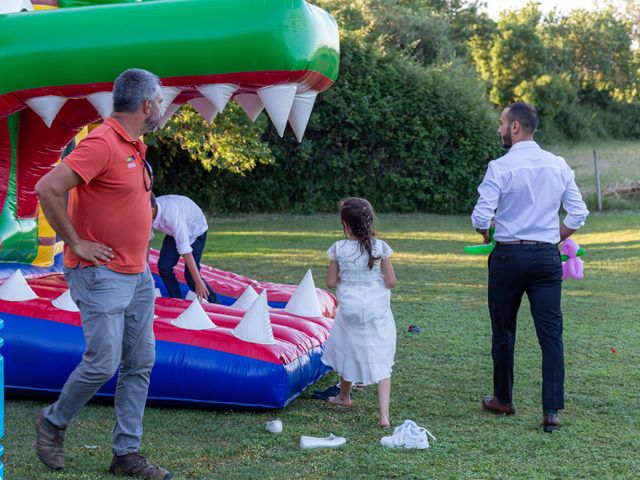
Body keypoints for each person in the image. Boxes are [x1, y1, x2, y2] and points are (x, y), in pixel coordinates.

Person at [34, 68, 171, 479]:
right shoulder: (103, 143)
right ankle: (53, 422)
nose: (163, 107)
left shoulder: (135, 146)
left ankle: (126, 454)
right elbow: (47, 188)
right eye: (161, 100)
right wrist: (75, 242)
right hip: (100, 274)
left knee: (140, 361)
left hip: (138, 274)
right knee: (103, 362)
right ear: (147, 105)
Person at [471, 102, 589, 433]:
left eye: (501, 123)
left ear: (516, 128)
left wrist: (485, 232)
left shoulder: (500, 167)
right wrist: (555, 237)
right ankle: (551, 411)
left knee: (504, 330)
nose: (499, 129)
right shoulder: (559, 164)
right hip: (546, 259)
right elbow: (578, 213)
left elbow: (481, 216)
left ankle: (503, 400)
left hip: (508, 257)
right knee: (551, 334)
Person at [321, 197, 397, 428]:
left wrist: (348, 277)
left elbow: (331, 282)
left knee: (348, 349)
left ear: (345, 225)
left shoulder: (338, 248)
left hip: (351, 309)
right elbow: (392, 282)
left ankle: (344, 397)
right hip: (376, 310)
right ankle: (384, 415)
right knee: (382, 357)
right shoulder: (380, 247)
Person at [151, 194, 217, 303]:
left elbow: (185, 250)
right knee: (164, 267)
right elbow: (146, 240)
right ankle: (177, 301)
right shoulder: (146, 212)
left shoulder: (171, 215)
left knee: (191, 277)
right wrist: (146, 270)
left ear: (152, 209)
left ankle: (216, 305)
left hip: (195, 230)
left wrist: (198, 281)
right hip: (176, 230)